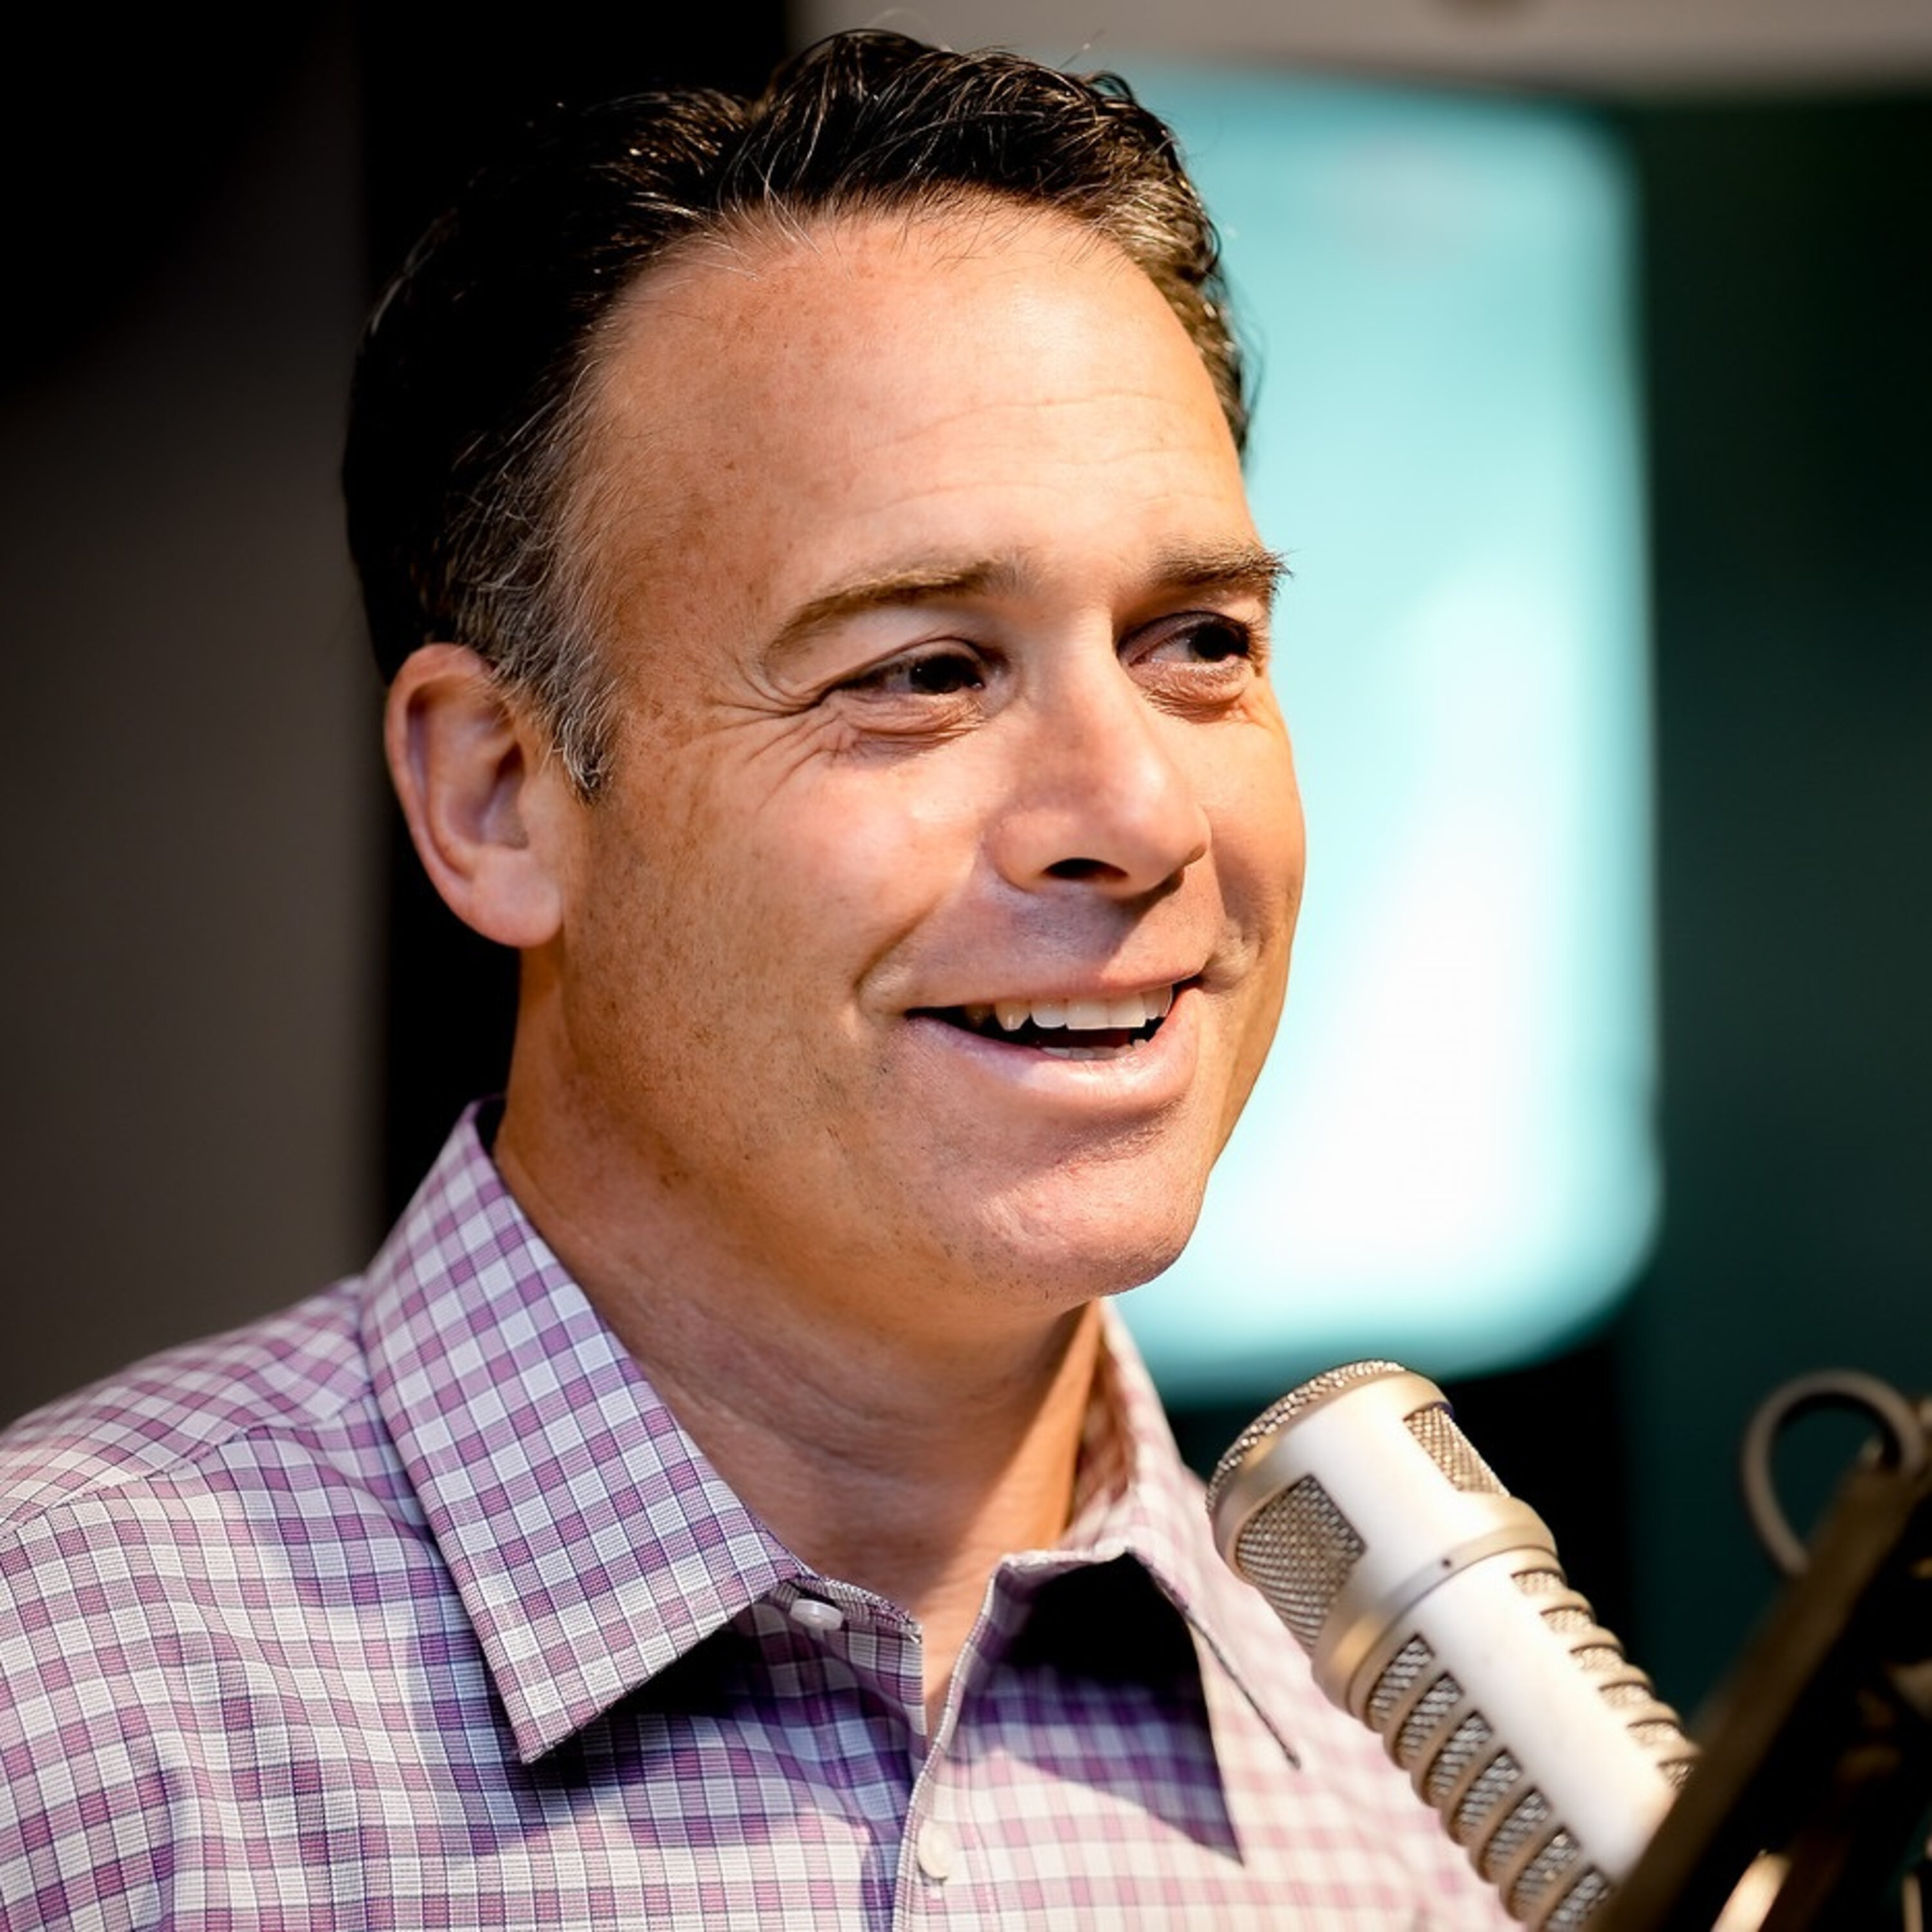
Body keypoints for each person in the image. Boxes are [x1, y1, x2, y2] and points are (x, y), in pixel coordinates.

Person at [0, 33, 1513, 1928]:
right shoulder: (60, 1715)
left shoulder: (1428, 1816)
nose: (1136, 816)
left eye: (1198, 641)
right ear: (497, 797)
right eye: (922, 671)